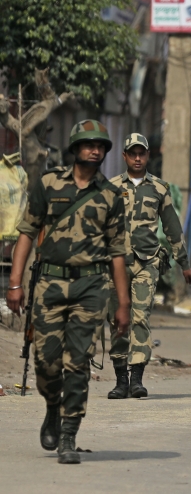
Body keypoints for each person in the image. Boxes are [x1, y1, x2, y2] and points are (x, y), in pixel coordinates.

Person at [4, 120, 131, 464]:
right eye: (89, 144)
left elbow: (118, 253)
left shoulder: (111, 195)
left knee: (77, 363)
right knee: (46, 362)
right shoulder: (49, 184)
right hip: (49, 284)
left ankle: (68, 435)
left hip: (91, 287)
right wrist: (14, 284)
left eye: (100, 146)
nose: (95, 150)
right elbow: (27, 233)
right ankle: (52, 406)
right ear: (75, 148)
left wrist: (123, 304)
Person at [105, 134, 191, 400]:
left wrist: (184, 263)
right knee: (117, 320)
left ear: (147, 156)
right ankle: (120, 380)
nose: (137, 158)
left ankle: (136, 379)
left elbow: (172, 227)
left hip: (146, 262)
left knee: (140, 318)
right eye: (132, 153)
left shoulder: (159, 188)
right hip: (116, 264)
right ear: (124, 156)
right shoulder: (110, 188)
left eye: (141, 153)